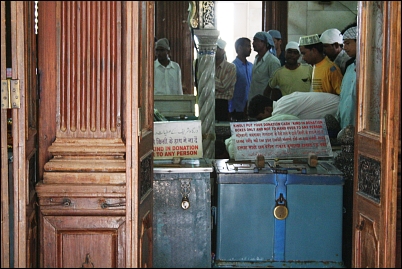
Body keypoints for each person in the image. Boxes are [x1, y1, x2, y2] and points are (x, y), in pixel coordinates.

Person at [248, 92, 340, 121]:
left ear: (267, 109)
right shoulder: (283, 101)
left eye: (261, 118)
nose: (262, 121)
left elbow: (266, 127)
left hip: (340, 109)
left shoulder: (280, 110)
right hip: (337, 106)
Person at [248, 31, 281, 108]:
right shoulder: (256, 58)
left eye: (256, 41)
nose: (253, 43)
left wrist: (270, 106)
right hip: (253, 102)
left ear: (265, 43)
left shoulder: (272, 61)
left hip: (264, 106)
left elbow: (275, 87)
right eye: (253, 41)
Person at [336, 25, 358, 129]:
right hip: (345, 125)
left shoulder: (370, 70)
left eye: (348, 43)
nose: (344, 47)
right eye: (344, 43)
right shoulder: (349, 68)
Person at [229, 37, 253, 121]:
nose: (250, 49)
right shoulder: (233, 67)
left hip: (250, 108)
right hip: (237, 108)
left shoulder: (251, 66)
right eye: (247, 46)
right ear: (239, 48)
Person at [215, 38, 237, 122]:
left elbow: (223, 86)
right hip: (209, 102)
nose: (215, 51)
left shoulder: (230, 67)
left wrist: (210, 76)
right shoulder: (208, 66)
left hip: (223, 103)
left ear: (223, 51)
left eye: (217, 48)